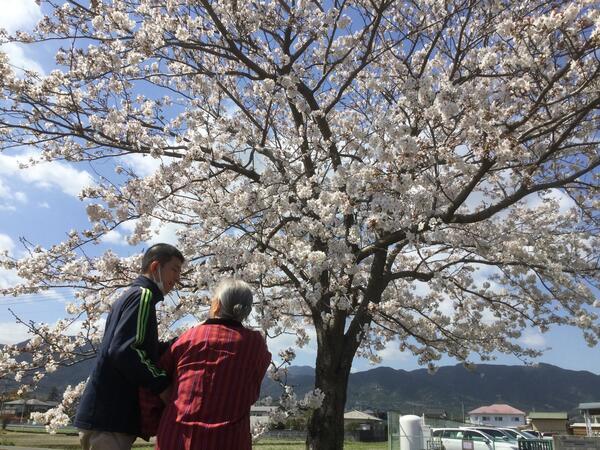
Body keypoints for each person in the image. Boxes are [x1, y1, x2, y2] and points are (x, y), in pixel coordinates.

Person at [74, 243, 184, 450]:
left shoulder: (130, 295)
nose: (177, 279)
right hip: (113, 414)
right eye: (175, 269)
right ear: (155, 267)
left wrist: (177, 343)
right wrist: (162, 386)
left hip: (104, 412)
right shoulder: (143, 296)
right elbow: (127, 349)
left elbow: (136, 345)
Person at [142, 278, 271, 450]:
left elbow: (154, 380)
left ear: (216, 305)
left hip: (178, 437)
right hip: (229, 440)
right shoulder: (256, 345)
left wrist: (151, 422)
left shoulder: (189, 338)